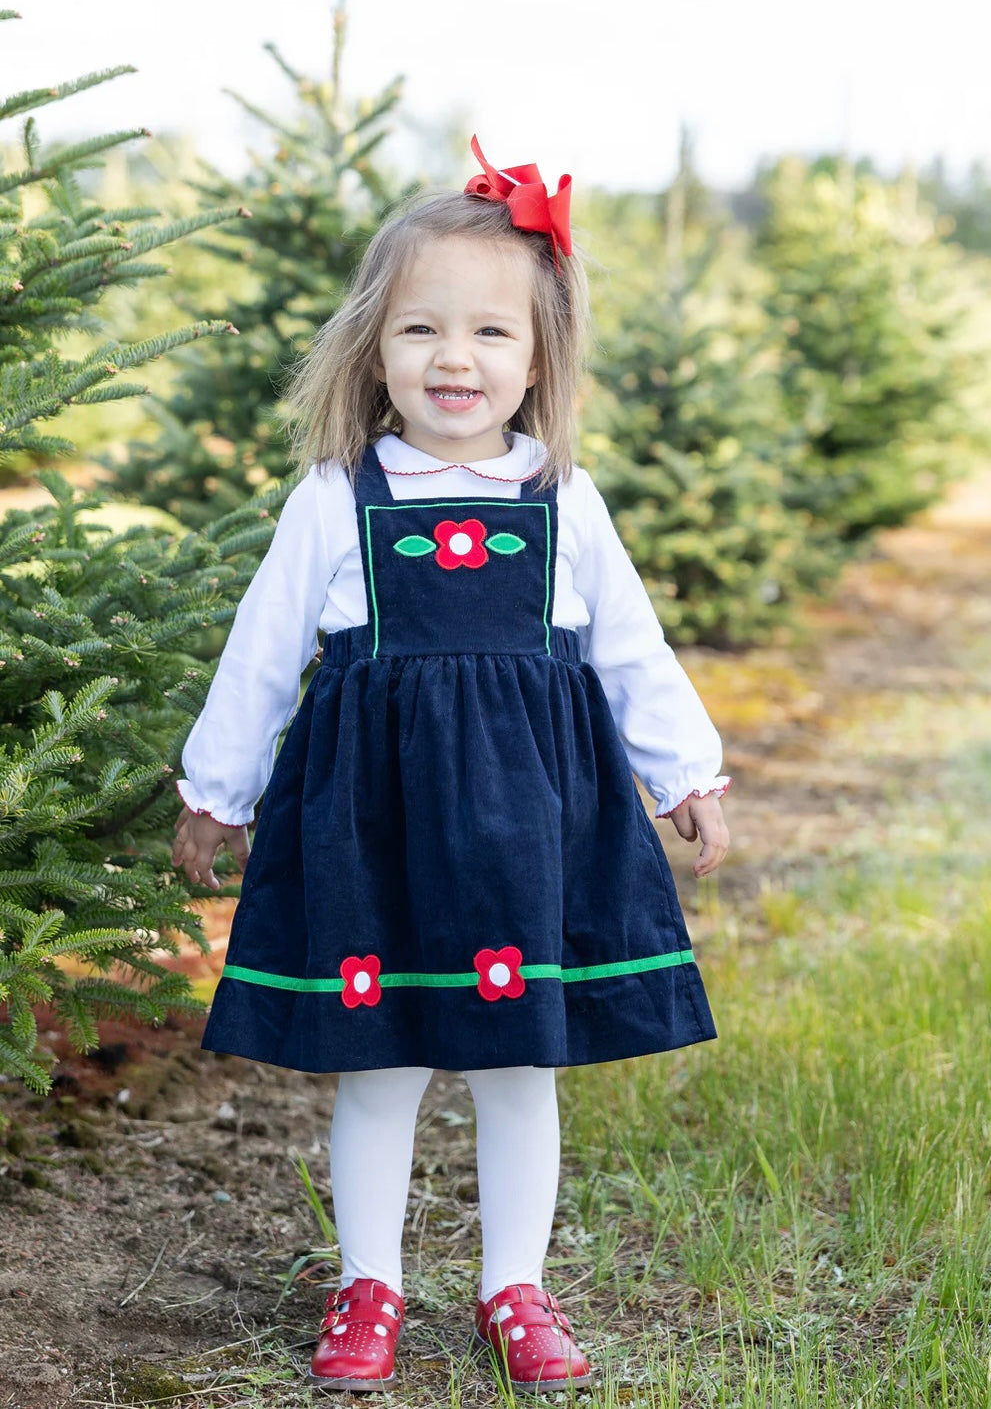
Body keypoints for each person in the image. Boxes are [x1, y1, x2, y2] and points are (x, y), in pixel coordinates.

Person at [170, 136, 731, 1396]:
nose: (454, 360)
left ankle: (512, 1285)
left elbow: (632, 649)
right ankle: (369, 1281)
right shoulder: (337, 495)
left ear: (539, 361)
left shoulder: (564, 498)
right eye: (422, 329)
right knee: (380, 1066)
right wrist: (219, 790)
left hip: (528, 824)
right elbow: (261, 653)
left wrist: (684, 772)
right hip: (374, 822)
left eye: (489, 334)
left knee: (514, 1063)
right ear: (376, 348)